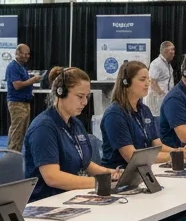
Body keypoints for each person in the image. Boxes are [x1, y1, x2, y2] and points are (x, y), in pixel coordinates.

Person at [23, 67, 120, 201]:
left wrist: (110, 173)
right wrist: (98, 182)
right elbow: (53, 178)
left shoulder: (75, 124)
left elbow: (85, 164)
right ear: (60, 92)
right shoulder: (44, 127)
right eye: (80, 96)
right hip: (48, 203)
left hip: (72, 197)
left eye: (87, 97)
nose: (85, 102)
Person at [100, 61, 186, 168]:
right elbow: (131, 156)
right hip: (119, 174)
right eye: (142, 80)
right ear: (126, 83)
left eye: (148, 79)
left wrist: (178, 151)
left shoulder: (144, 110)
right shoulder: (115, 114)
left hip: (143, 169)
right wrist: (173, 156)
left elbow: (157, 144)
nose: (148, 83)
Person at [5, 44, 42, 150]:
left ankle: (14, 153)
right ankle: (13, 155)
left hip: (24, 102)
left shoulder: (21, 67)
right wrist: (32, 80)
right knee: (17, 131)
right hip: (17, 103)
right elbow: (17, 85)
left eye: (28, 54)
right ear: (17, 54)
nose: (27, 56)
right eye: (25, 54)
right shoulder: (13, 67)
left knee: (21, 131)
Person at [147, 41, 176, 116]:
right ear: (165, 51)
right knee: (157, 121)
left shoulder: (168, 64)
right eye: (171, 50)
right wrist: (161, 95)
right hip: (157, 101)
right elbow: (152, 81)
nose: (173, 52)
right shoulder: (156, 63)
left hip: (165, 99)